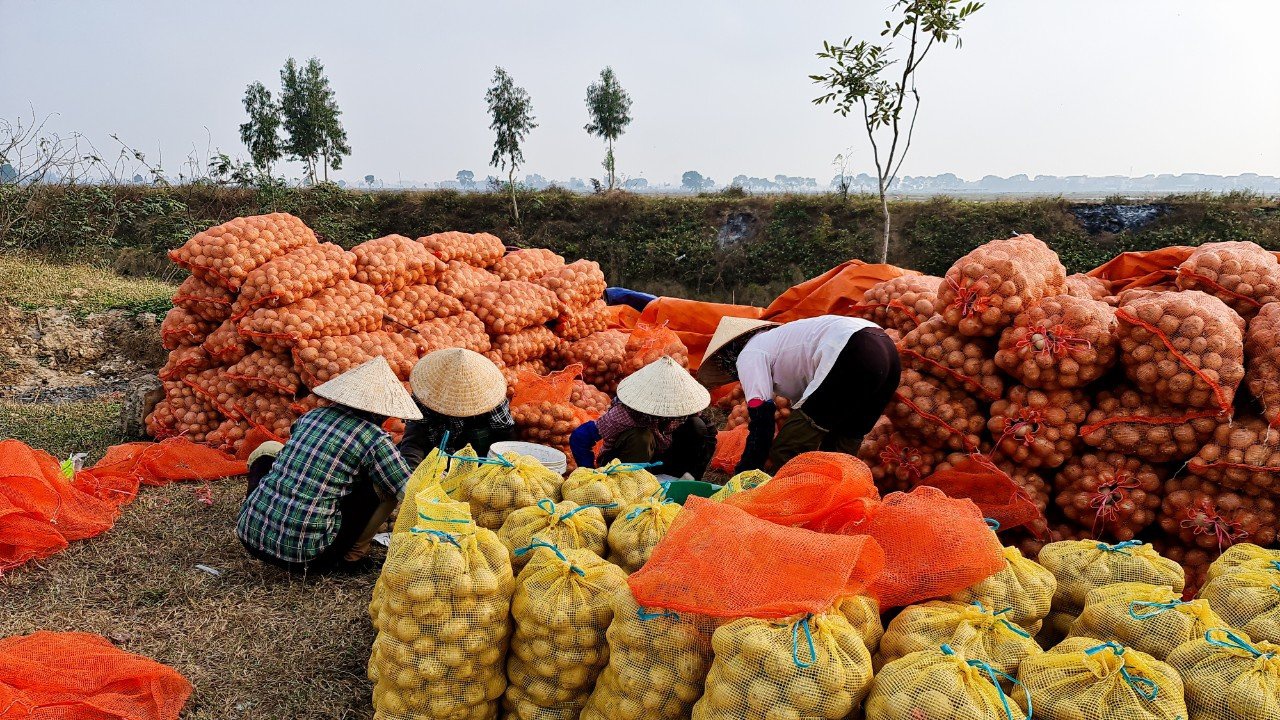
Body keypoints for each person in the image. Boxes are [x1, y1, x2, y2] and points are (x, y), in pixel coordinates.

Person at [235, 356, 423, 574]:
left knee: (269, 448)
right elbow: (407, 490)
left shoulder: (312, 416)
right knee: (383, 486)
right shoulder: (374, 437)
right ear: (380, 412)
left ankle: (260, 514)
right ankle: (352, 558)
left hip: (249, 537)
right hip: (306, 556)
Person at [697, 314, 901, 472]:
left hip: (854, 349)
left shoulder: (750, 353)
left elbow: (762, 420)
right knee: (840, 452)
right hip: (888, 354)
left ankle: (786, 508)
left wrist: (747, 471)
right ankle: (829, 510)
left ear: (729, 353)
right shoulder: (778, 339)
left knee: (786, 450)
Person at [569, 356, 716, 478]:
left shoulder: (684, 409)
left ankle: (677, 478)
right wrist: (590, 473)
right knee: (642, 437)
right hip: (624, 462)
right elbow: (580, 438)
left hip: (660, 460)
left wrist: (693, 473)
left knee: (696, 426)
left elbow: (708, 435)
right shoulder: (625, 413)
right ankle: (628, 483)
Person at [398, 348, 514, 467]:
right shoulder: (425, 395)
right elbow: (414, 440)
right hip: (434, 458)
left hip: (478, 461)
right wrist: (411, 474)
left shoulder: (492, 398)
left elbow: (504, 440)